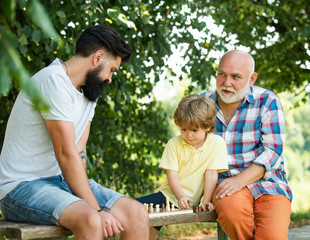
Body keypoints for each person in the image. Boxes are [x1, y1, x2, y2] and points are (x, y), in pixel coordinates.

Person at [0, 25, 149, 240]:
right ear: (97, 58)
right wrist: (97, 210)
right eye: (112, 70)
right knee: (91, 220)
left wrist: (88, 199)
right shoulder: (53, 81)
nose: (110, 78)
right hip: (20, 187)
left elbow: (79, 151)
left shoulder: (89, 92)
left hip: (59, 181)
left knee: (136, 214)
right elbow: (66, 153)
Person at [201, 50, 293, 240]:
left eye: (236, 77)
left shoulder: (268, 101)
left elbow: (272, 152)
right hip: (224, 184)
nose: (227, 83)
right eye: (221, 74)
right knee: (233, 215)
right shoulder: (203, 103)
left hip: (268, 182)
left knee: (273, 236)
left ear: (252, 79)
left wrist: (239, 181)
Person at [136, 94, 228, 240]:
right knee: (132, 210)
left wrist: (206, 201)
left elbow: (211, 174)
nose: (188, 135)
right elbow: (171, 174)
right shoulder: (174, 144)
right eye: (183, 129)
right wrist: (181, 196)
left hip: (189, 202)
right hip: (169, 196)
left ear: (208, 127)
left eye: (194, 130)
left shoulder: (217, 143)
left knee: (140, 218)